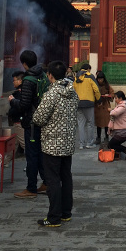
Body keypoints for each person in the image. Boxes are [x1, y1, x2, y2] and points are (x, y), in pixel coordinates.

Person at [32, 60, 79, 227]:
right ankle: (66, 212)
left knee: (52, 180)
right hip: (68, 142)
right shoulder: (72, 92)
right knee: (66, 177)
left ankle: (54, 217)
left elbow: (38, 118)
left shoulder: (52, 94)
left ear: (50, 75)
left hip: (52, 143)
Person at [10, 50, 48, 198]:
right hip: (42, 119)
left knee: (31, 155)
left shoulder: (28, 80)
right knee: (39, 154)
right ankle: (46, 182)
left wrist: (13, 101)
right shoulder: (43, 76)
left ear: (24, 63)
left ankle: (31, 188)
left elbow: (24, 104)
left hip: (31, 121)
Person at [73, 66, 101, 149]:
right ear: (88, 69)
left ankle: (81, 144)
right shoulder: (90, 76)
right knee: (90, 123)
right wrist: (99, 99)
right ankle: (90, 143)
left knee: (80, 124)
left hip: (78, 103)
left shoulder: (76, 77)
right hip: (89, 103)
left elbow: (73, 90)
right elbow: (96, 89)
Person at [108, 91, 126, 160]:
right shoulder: (120, 106)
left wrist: (111, 110)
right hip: (121, 130)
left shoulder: (123, 106)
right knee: (114, 144)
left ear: (120, 98)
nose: (115, 100)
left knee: (111, 144)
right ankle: (121, 152)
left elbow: (114, 113)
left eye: (116, 98)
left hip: (123, 131)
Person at [8, 70, 26, 157]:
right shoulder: (22, 91)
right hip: (19, 121)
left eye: (14, 80)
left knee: (24, 144)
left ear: (20, 81)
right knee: (14, 143)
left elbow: (19, 108)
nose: (13, 82)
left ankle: (33, 164)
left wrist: (12, 102)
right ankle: (4, 162)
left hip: (19, 121)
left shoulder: (20, 93)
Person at [94, 70, 114, 145]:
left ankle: (106, 137)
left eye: (101, 79)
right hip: (98, 105)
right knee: (98, 123)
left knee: (106, 123)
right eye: (99, 79)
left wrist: (108, 96)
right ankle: (98, 137)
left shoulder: (107, 85)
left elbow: (112, 93)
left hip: (105, 105)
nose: (100, 80)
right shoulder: (95, 85)